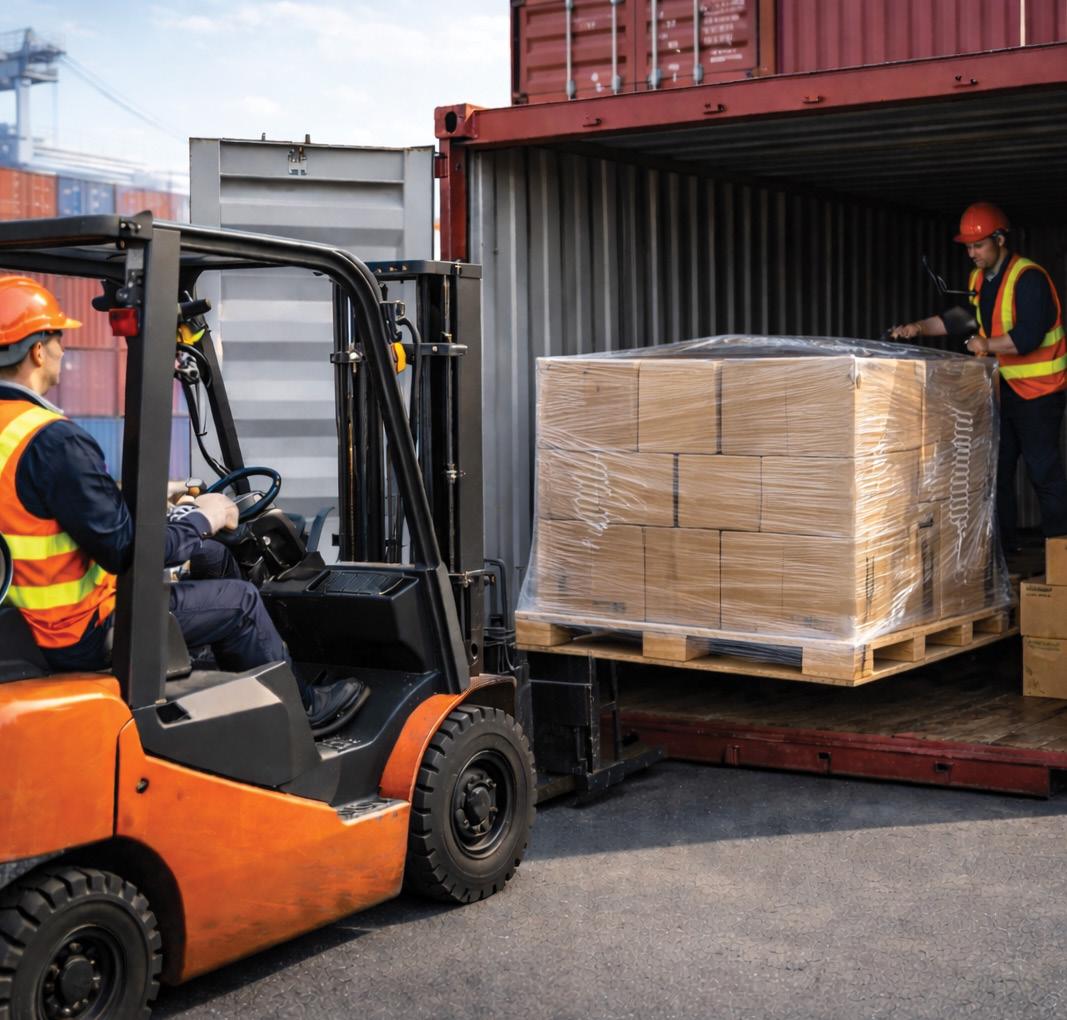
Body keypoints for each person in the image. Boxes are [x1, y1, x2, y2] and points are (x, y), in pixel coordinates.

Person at [0, 275, 361, 727]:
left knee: (211, 558)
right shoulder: (53, 440)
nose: (62, 349)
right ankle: (303, 715)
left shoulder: (13, 432)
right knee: (241, 602)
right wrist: (204, 517)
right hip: (79, 628)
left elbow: (42, 505)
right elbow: (127, 552)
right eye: (58, 339)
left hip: (26, 619)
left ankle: (220, 680)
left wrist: (144, 496)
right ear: (37, 350)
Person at [891, 202, 1067, 551]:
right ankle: (1004, 556)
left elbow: (1029, 336)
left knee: (1043, 472)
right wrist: (919, 327)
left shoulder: (1029, 278)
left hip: (1039, 394)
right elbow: (963, 319)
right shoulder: (979, 279)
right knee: (997, 472)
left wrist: (986, 344)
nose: (972, 253)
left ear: (1000, 240)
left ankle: (1060, 555)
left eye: (979, 245)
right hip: (1003, 392)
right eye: (969, 246)